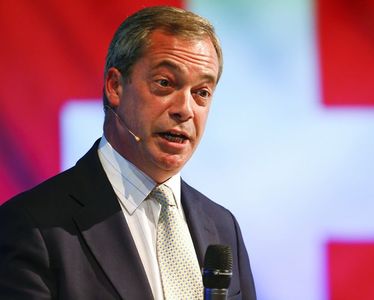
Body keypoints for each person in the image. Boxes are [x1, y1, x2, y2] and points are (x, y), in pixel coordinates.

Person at [0, 6, 256, 300]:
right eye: (165, 83)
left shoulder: (223, 227)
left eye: (201, 93)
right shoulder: (33, 226)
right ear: (115, 86)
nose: (185, 110)